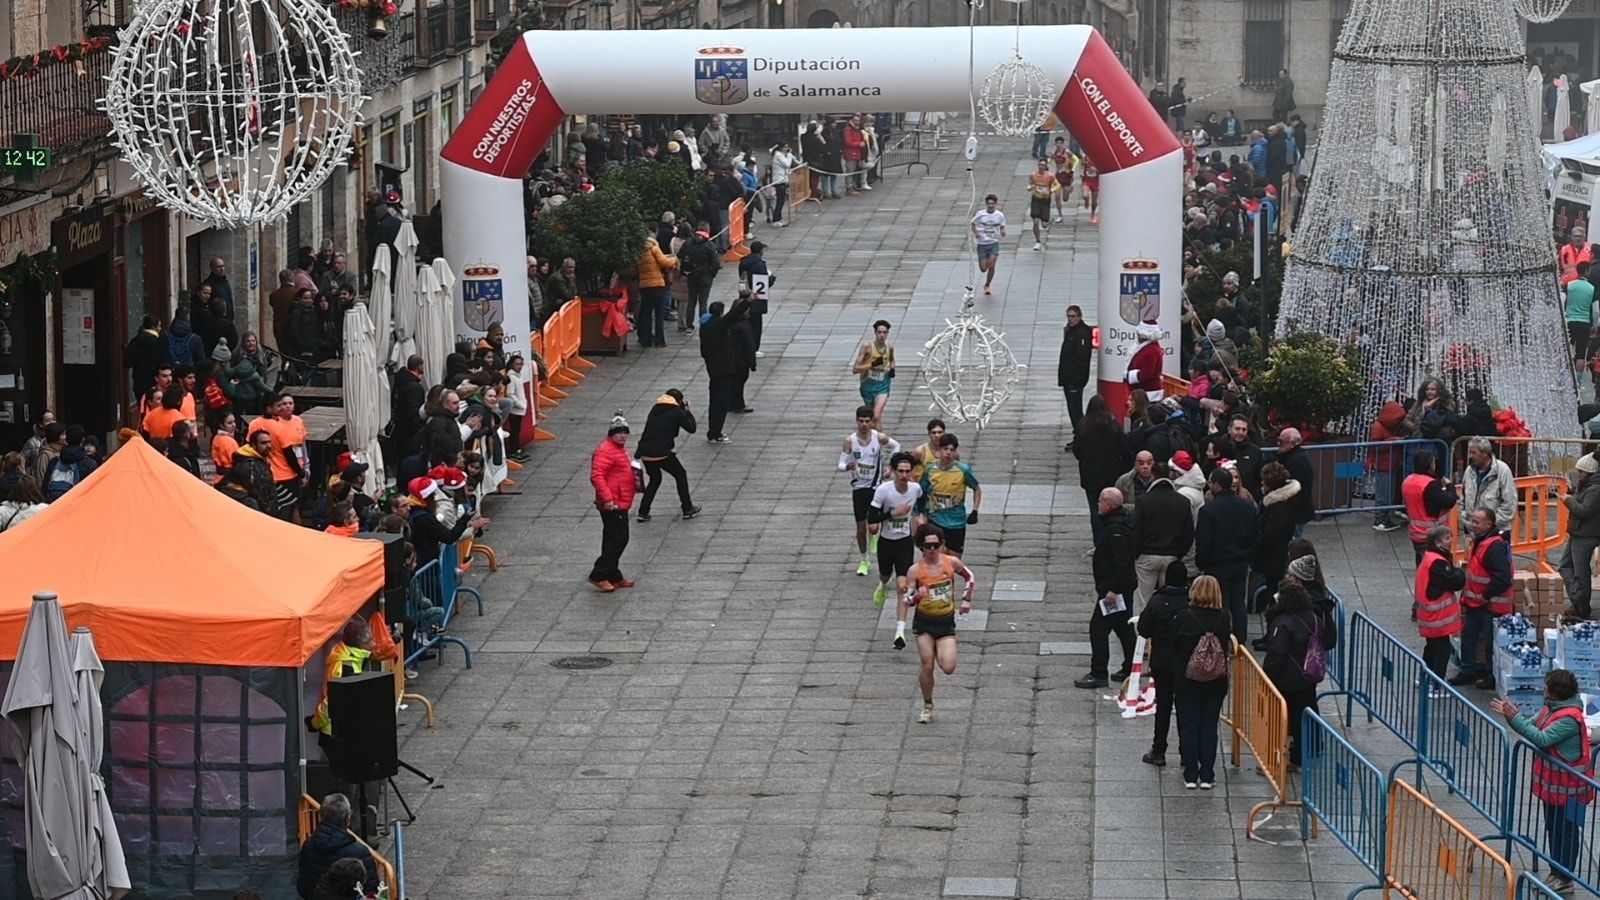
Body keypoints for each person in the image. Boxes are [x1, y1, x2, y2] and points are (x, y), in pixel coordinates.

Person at [1489, 669, 1594, 895]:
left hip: (1571, 790)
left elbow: (1542, 739)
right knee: (1553, 829)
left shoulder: (1568, 718)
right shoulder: (1551, 708)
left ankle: (1565, 877)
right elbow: (1532, 723)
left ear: (1557, 693)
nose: (1545, 691)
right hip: (1556, 789)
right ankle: (1556, 872)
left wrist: (1514, 718)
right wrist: (1514, 715)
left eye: (1548, 688)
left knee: (1566, 832)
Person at [903, 523, 977, 723]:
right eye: (929, 547)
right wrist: (917, 596)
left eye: (936, 545)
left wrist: (966, 600)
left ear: (942, 544)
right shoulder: (915, 571)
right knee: (927, 665)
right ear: (921, 547)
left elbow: (969, 577)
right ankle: (928, 705)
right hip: (924, 623)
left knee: (948, 667)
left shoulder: (950, 562)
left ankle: (940, 650)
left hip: (945, 623)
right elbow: (906, 601)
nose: (933, 550)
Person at [1172, 574, 1232, 789]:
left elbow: (1174, 645)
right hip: (1216, 681)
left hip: (1187, 680)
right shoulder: (1224, 617)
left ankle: (1190, 774)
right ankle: (1207, 775)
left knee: (1188, 726)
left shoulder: (1184, 617)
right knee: (1208, 726)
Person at [1076, 487, 1139, 689]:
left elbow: (1122, 562)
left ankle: (1099, 672)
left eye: (1101, 502)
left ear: (1109, 505)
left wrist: (1113, 590)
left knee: (1098, 628)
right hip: (1120, 587)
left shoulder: (1115, 530)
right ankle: (1130, 666)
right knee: (1123, 627)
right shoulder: (1120, 524)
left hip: (1114, 590)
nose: (1098, 505)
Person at [1450, 507, 1514, 689]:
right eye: (1472, 520)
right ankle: (1468, 670)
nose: (1473, 525)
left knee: (1490, 643)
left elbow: (1503, 578)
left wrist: (1486, 596)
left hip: (1489, 604)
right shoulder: (1482, 541)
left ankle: (1491, 675)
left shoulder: (1494, 546)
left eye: (1477, 522)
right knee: (1468, 637)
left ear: (1489, 524)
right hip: (1477, 603)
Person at [1262, 582, 1322, 770]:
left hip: (1287, 679)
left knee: (1282, 718)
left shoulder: (1283, 623)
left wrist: (1267, 676)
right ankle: (1309, 749)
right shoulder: (1313, 618)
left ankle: (1282, 757)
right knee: (1306, 712)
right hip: (1309, 675)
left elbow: (1276, 655)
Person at [1196, 467, 1259, 645]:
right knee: (1239, 604)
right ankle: (1240, 641)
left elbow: (1204, 541)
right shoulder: (1247, 506)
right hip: (1241, 562)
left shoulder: (1208, 511)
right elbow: (1255, 535)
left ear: (1216, 485)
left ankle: (1221, 640)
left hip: (1217, 565)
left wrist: (1202, 564)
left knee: (1220, 604)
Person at [1138, 559, 1191, 767]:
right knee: (1185, 708)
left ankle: (1158, 750)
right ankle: (1186, 753)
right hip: (1185, 663)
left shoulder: (1157, 602)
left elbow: (1143, 629)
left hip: (1161, 663)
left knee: (1163, 708)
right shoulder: (1191, 601)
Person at [840, 405, 900, 576]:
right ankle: (864, 559)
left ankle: (874, 536)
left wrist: (890, 467)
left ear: (871, 422)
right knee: (860, 528)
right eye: (861, 421)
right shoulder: (849, 440)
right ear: (856, 421)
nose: (864, 425)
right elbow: (840, 464)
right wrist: (848, 466)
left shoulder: (878, 437)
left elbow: (896, 447)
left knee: (873, 528)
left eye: (867, 421)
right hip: (859, 488)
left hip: (877, 486)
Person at [873, 452, 924, 627]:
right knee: (885, 574)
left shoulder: (915, 489)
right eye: (900, 471)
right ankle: (882, 584)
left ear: (911, 472)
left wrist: (919, 517)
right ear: (894, 471)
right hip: (886, 542)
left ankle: (900, 630)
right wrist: (893, 513)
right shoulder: (884, 490)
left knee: (903, 586)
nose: (904, 475)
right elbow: (871, 517)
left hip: (904, 542)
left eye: (907, 471)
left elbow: (922, 505)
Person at [635, 389, 701, 522]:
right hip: (661, 453)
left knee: (655, 479)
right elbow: (692, 428)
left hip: (645, 453)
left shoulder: (656, 409)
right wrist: (687, 411)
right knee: (680, 474)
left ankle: (643, 511)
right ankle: (687, 508)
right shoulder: (677, 412)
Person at [1133, 460, 1194, 604]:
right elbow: (1188, 534)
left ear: (1153, 475)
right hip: (1171, 556)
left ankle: (1141, 625)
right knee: (1169, 600)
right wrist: (1179, 554)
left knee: (1143, 600)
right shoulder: (1183, 501)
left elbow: (1137, 530)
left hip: (1147, 555)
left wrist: (1136, 554)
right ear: (1170, 475)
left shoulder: (1143, 500)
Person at [1073, 395, 1132, 544]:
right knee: (1112, 506)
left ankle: (1098, 541)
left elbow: (1077, 450)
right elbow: (1123, 449)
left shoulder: (1083, 426)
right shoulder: (1112, 425)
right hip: (1110, 474)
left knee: (1095, 509)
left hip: (1090, 475)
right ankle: (1111, 538)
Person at [589, 413, 637, 592]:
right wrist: (608, 499)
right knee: (619, 539)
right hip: (613, 502)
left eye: (625, 432)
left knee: (611, 538)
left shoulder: (618, 449)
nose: (622, 435)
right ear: (611, 434)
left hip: (620, 500)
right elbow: (597, 476)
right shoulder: (606, 451)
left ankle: (613, 574)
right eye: (618, 432)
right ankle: (599, 574)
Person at [295, 793, 377, 898]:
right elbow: (371, 892)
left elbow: (303, 886)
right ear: (347, 819)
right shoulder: (360, 852)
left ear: (321, 817)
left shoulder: (308, 846)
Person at [1416, 525, 1467, 681]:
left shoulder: (1430, 557)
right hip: (1437, 617)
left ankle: (1424, 677)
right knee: (1442, 650)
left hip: (1430, 615)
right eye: (1447, 538)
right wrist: (1459, 572)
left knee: (1431, 647)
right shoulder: (1438, 562)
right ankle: (1436, 683)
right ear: (1438, 542)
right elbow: (1453, 582)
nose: (1451, 541)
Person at [918, 433, 980, 556]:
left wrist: (975, 510)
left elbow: (977, 489)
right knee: (935, 556)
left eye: (952, 450)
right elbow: (921, 491)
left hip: (957, 521)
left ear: (955, 452)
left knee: (954, 561)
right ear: (939, 450)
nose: (948, 453)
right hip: (936, 520)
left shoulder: (963, 470)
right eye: (945, 449)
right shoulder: (930, 470)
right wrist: (922, 514)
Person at [699, 296, 749, 443]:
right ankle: (715, 432)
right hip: (722, 370)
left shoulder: (705, 326)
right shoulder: (716, 326)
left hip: (714, 369)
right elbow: (733, 316)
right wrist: (748, 301)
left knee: (715, 400)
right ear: (720, 313)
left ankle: (713, 430)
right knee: (720, 402)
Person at [1402, 449, 1458, 567]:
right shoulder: (1430, 484)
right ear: (1430, 465)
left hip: (1416, 533)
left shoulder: (1408, 481)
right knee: (1433, 570)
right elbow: (1449, 501)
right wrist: (1450, 487)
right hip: (1433, 534)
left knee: (1422, 568)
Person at [1560, 453, 1600, 619]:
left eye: (1580, 471)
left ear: (1589, 472)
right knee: (1566, 566)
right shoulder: (1587, 485)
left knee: (1580, 571)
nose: (1578, 474)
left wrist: (1568, 500)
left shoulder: (1595, 488)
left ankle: (1581, 605)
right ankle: (1579, 600)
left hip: (1585, 534)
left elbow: (1585, 511)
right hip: (1579, 532)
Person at [1255, 461, 1301, 593]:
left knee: (1274, 589)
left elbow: (1271, 535)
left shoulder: (1279, 507)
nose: (1261, 483)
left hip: (1275, 557)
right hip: (1274, 555)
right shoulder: (1279, 502)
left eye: (1264, 481)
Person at [1462, 436, 1517, 537]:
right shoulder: (1469, 471)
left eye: (1474, 452)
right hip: (1473, 532)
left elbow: (1509, 504)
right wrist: (1467, 521)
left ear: (1485, 453)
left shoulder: (1503, 470)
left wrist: (1489, 526)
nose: (1470, 456)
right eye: (1469, 452)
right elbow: (1463, 498)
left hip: (1496, 532)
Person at [634, 233, 678, 350]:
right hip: (657, 285)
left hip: (644, 286)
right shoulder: (654, 248)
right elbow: (664, 262)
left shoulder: (637, 252)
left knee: (647, 314)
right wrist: (674, 259)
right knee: (659, 314)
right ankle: (660, 340)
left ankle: (646, 340)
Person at [853, 320, 896, 426]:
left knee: (876, 415)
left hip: (883, 386)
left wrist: (892, 369)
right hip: (867, 386)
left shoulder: (889, 347)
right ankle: (876, 438)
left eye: (884, 332)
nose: (882, 335)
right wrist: (873, 364)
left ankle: (879, 440)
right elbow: (855, 369)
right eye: (879, 332)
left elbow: (892, 360)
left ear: (887, 333)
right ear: (875, 333)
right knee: (872, 418)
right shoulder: (867, 347)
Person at [1057, 305, 1093, 431]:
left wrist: (1077, 378)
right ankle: (1079, 433)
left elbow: (1083, 358)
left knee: (1075, 409)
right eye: (1068, 316)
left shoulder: (1082, 333)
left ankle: (1081, 434)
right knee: (1072, 409)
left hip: (1075, 379)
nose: (1070, 319)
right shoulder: (1071, 331)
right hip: (1068, 378)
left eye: (1073, 316)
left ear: (1079, 316)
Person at [1274, 427, 1315, 535]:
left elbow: (1292, 488)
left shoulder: (1297, 461)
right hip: (1295, 511)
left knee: (1294, 542)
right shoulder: (1292, 458)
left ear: (1292, 443)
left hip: (1295, 512)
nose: (1278, 444)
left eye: (1282, 441)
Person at [737, 240, 774, 355]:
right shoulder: (759, 264)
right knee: (756, 326)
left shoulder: (743, 262)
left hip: (744, 295)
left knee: (747, 324)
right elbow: (763, 283)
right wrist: (771, 279)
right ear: (761, 251)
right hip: (756, 297)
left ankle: (746, 347)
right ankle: (754, 349)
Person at [970, 194, 1007, 296]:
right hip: (982, 243)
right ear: (986, 204)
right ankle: (985, 260)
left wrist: (1003, 231)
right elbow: (972, 223)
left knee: (992, 264)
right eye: (989, 204)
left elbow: (1002, 226)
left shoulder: (999, 215)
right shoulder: (980, 214)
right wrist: (976, 233)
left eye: (992, 204)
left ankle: (987, 284)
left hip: (993, 242)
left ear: (996, 204)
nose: (990, 206)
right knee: (983, 269)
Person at [124, 316, 165, 403]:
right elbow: (164, 363)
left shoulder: (134, 341)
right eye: (159, 326)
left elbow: (127, 363)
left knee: (143, 407)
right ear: (154, 327)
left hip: (139, 381)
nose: (160, 329)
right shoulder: (160, 342)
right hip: (155, 381)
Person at [1125, 325, 1165, 401]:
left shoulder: (1151, 351)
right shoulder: (1146, 347)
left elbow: (1147, 373)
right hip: (1143, 392)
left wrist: (1128, 376)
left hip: (1148, 392)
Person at [1569, 261, 1597, 373]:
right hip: (1584, 323)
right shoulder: (1591, 288)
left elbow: (1562, 300)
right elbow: (1596, 309)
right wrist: (1594, 324)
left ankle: (1561, 380)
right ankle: (1578, 383)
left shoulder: (1570, 285)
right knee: (1581, 353)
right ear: (1586, 271)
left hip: (1569, 321)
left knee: (1567, 350)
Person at [1027, 158, 1058, 251]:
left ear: (1046, 166)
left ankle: (1050, 218)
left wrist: (1051, 191)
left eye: (1043, 165)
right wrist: (1030, 187)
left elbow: (1057, 185)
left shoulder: (1050, 176)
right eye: (1040, 165)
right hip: (1036, 199)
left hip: (1045, 200)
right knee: (1036, 221)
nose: (1041, 167)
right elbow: (1031, 184)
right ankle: (1038, 241)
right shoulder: (1033, 175)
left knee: (1044, 225)